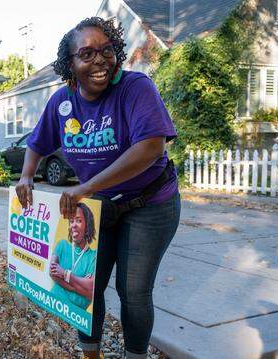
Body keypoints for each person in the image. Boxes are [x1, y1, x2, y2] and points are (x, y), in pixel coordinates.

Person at [15, 17, 181, 359]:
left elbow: (151, 147)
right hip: (97, 207)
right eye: (86, 53)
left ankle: (135, 355)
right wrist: (26, 176)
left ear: (116, 53)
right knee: (86, 282)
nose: (99, 60)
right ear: (70, 64)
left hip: (149, 203)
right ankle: (90, 353)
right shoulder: (63, 101)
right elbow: (37, 142)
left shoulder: (136, 88)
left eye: (106, 50)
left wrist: (86, 187)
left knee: (132, 290)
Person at [49, 202, 97, 311]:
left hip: (76, 316)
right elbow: (52, 272)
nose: (74, 225)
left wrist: (64, 274)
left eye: (79, 220)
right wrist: (80, 287)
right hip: (53, 303)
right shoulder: (62, 245)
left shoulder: (93, 256)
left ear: (87, 225)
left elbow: (91, 289)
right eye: (71, 221)